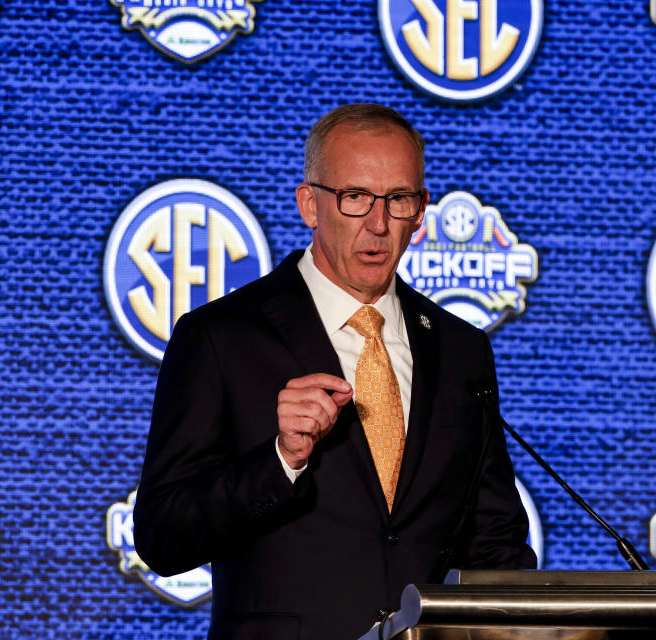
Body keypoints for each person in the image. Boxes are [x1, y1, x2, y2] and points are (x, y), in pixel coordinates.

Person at [133, 103, 536, 640]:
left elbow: (495, 540)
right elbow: (163, 537)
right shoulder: (221, 337)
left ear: (421, 211)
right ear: (310, 205)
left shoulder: (461, 349)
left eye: (398, 200)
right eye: (355, 198)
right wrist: (281, 459)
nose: (378, 223)